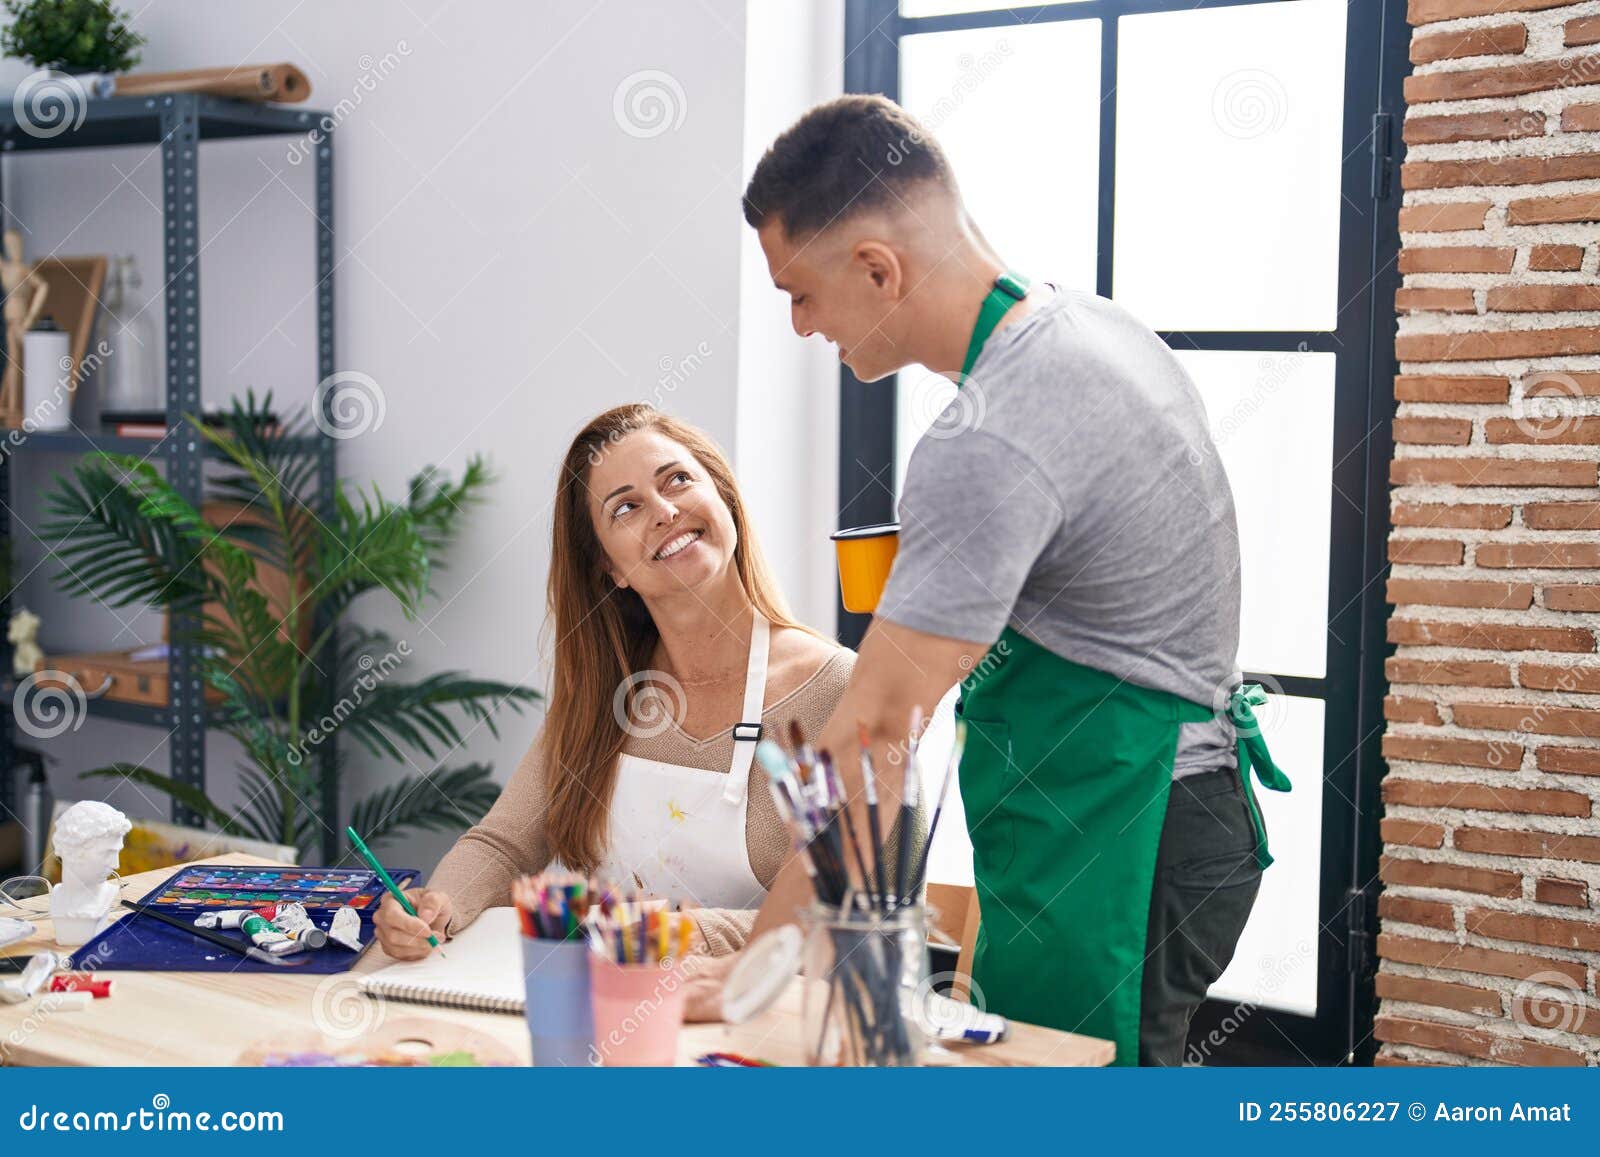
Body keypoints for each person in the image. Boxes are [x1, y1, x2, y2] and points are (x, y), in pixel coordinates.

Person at [732, 95, 1291, 1065]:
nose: (798, 324)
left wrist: (762, 958)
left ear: (877, 267)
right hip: (1173, 809)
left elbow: (872, 730)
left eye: (800, 291)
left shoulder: (987, 434)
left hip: (1123, 835)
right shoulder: (1095, 327)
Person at [375, 404, 897, 960]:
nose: (666, 511)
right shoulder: (610, 691)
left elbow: (854, 918)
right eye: (626, 507)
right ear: (611, 568)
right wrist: (437, 906)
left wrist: (677, 936)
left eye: (677, 479)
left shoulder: (837, 688)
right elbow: (504, 844)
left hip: (755, 1028)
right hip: (599, 1006)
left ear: (725, 500)